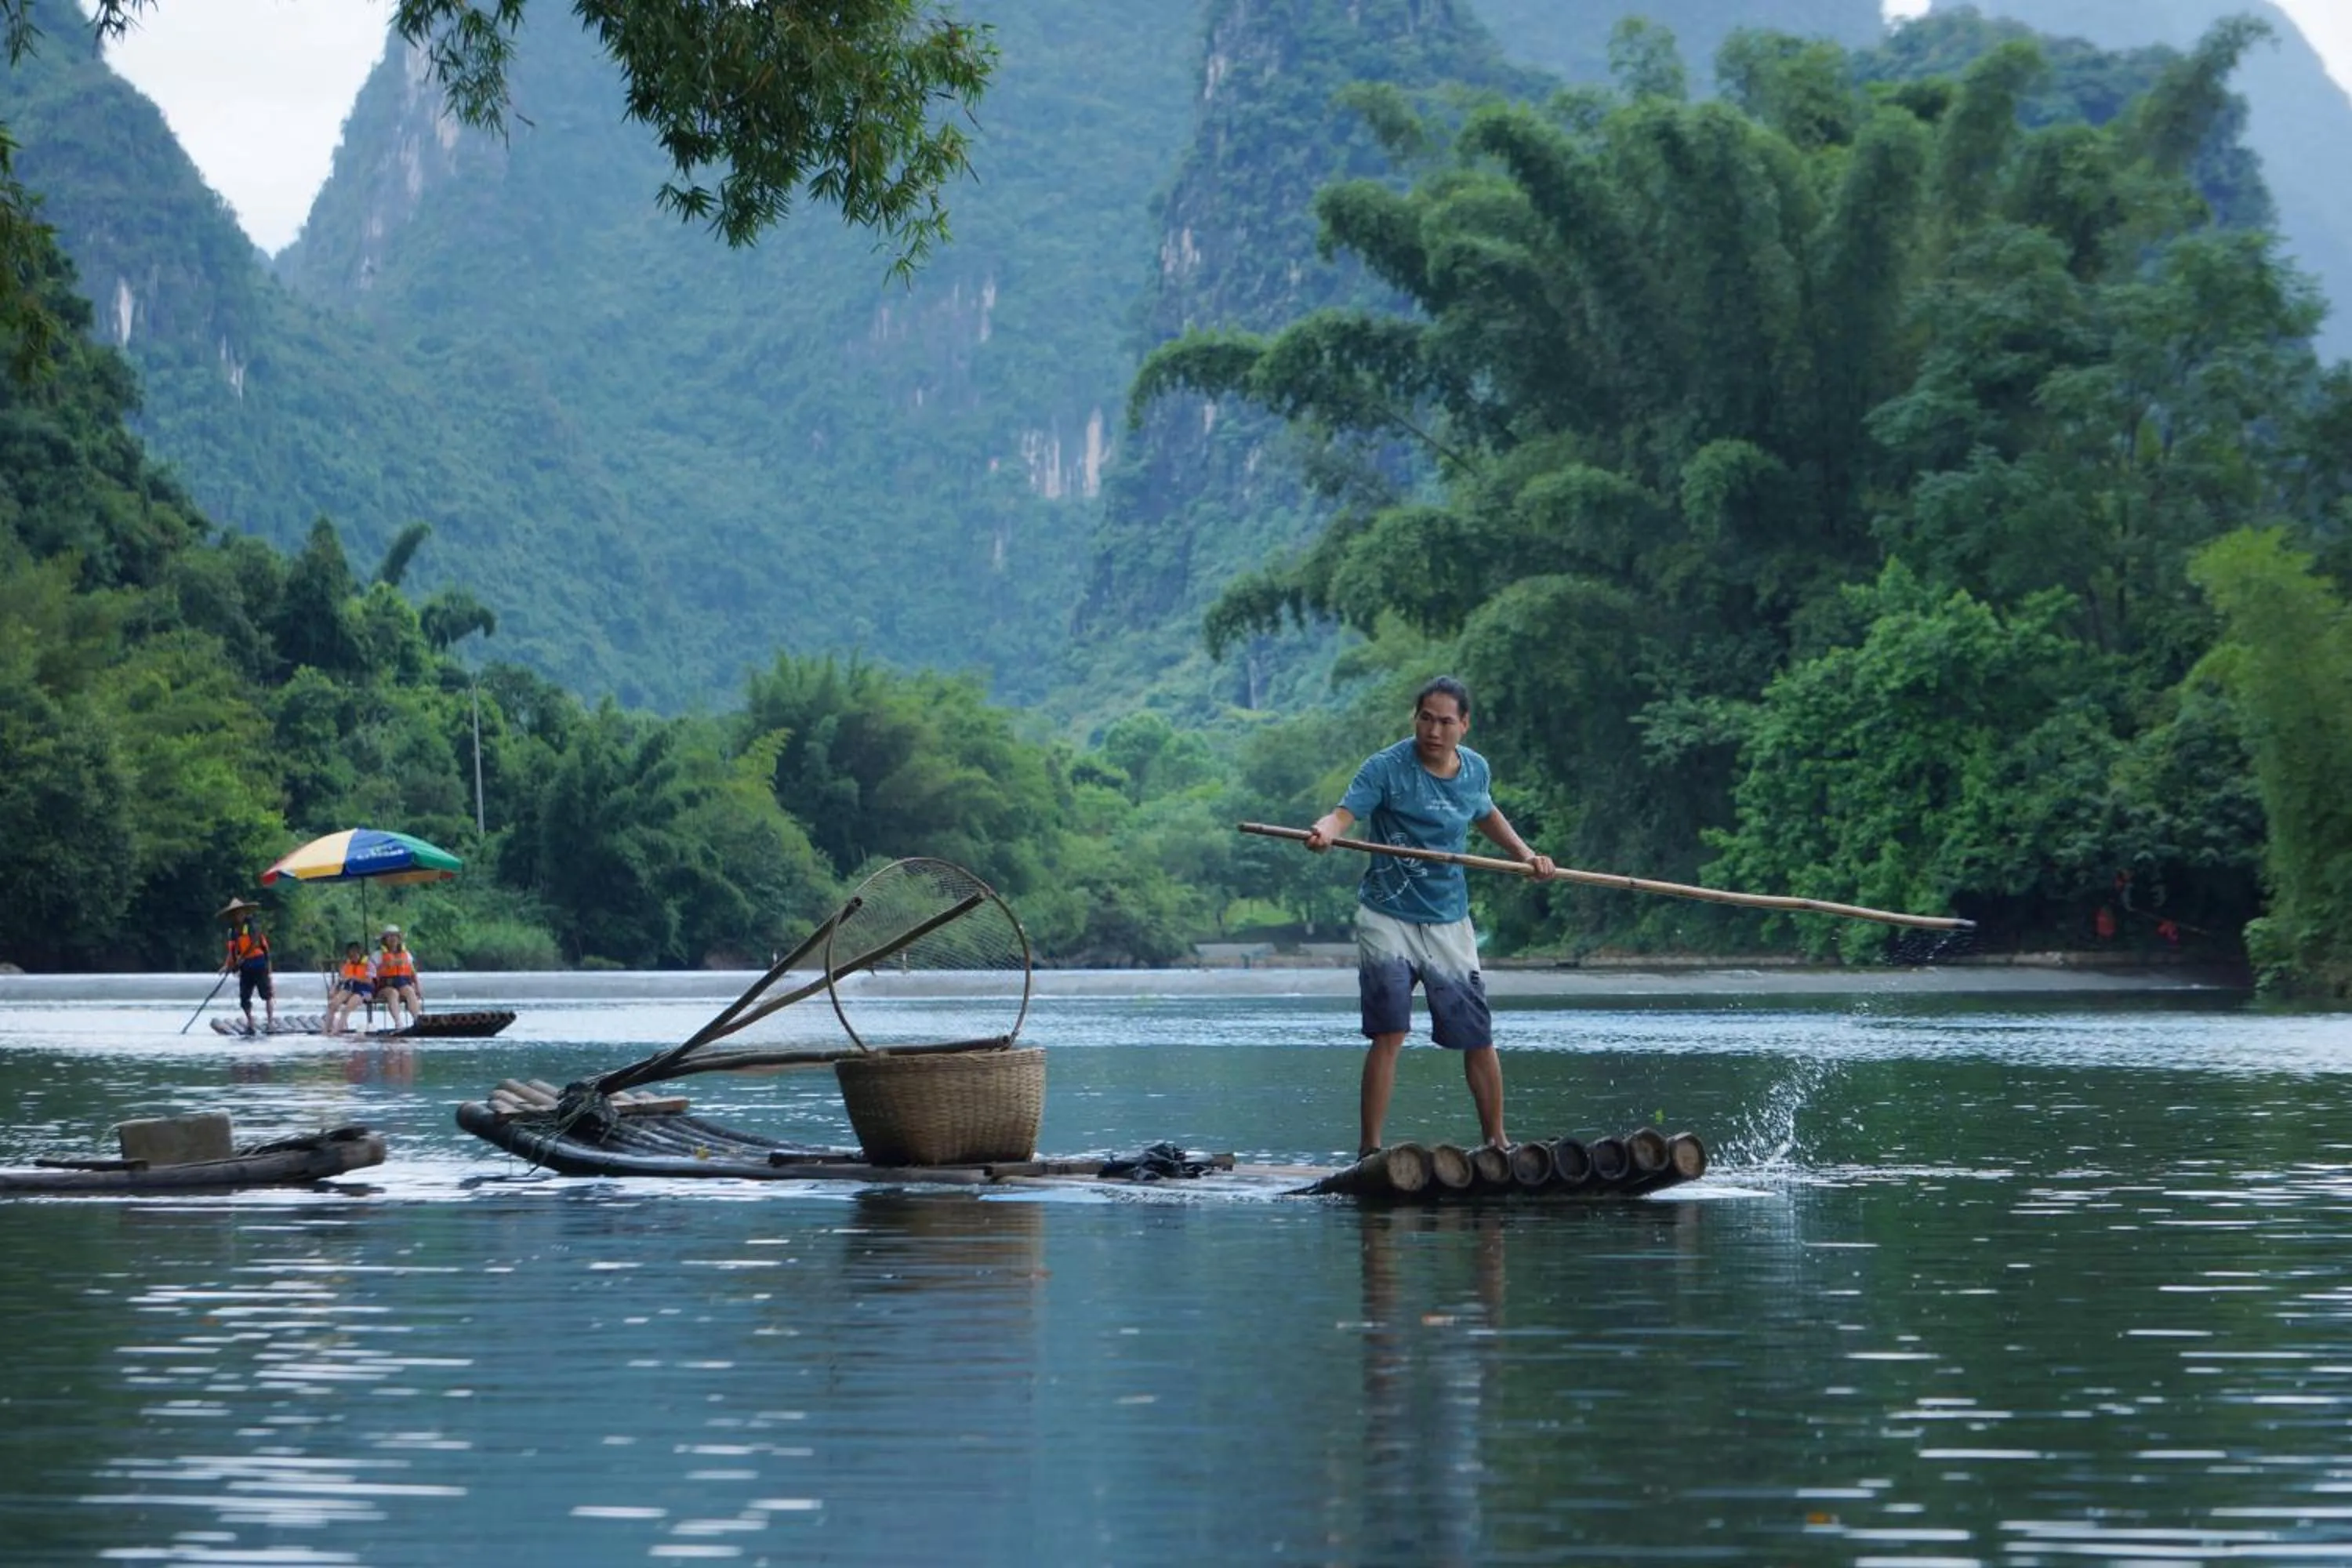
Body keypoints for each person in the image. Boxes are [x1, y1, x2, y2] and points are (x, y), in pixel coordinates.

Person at [1305, 676, 1555, 1158]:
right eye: (1425, 718)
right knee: (1390, 1030)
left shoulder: (1474, 770)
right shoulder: (1386, 767)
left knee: (1477, 1034)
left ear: (1464, 725)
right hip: (1387, 916)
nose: (1433, 730)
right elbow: (1343, 814)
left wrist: (1528, 856)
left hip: (1447, 919)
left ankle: (1497, 1141)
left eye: (1445, 721)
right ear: (1415, 719)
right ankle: (1370, 1150)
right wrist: (1326, 830)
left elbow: (1485, 812)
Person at [220, 907, 277, 1036]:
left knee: (266, 994)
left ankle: (270, 1022)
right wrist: (228, 965)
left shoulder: (251, 926)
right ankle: (250, 1023)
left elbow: (254, 942)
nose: (237, 916)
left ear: (244, 913)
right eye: (235, 914)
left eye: (240, 913)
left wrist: (243, 957)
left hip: (258, 964)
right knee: (244, 997)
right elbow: (232, 950)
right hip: (245, 968)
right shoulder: (233, 931)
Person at [324, 941, 376, 1036]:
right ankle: (325, 1031)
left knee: (347, 1008)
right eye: (351, 954)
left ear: (359, 953)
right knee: (333, 1005)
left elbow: (370, 981)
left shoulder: (369, 964)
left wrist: (354, 978)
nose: (353, 956)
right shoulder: (347, 964)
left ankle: (335, 1032)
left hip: (364, 990)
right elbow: (340, 979)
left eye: (355, 953)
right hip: (349, 988)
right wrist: (334, 988)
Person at [372, 925, 422, 1029]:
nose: (393, 939)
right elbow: (370, 974)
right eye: (389, 936)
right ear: (385, 940)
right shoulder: (377, 955)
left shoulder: (406, 954)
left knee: (409, 991)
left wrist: (417, 986)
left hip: (402, 983)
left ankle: (418, 1020)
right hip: (384, 986)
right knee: (393, 993)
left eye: (395, 936)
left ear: (399, 939)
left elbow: (413, 973)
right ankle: (398, 1023)